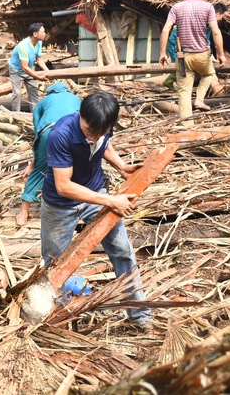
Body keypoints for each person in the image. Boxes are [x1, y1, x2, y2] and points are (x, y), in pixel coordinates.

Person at [40, 92, 151, 327]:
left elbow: (104, 144)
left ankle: (139, 314)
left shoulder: (101, 125)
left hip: (95, 193)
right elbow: (64, 186)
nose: (95, 136)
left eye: (101, 131)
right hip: (59, 205)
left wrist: (122, 166)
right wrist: (111, 201)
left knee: (122, 250)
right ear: (80, 115)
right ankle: (56, 321)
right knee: (54, 265)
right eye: (90, 131)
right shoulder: (60, 135)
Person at [159, 0, 226, 126]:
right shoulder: (208, 7)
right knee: (208, 74)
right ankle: (199, 99)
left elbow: (165, 30)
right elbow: (215, 31)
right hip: (202, 55)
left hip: (183, 57)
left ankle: (187, 126)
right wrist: (221, 54)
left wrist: (163, 53)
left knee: (183, 92)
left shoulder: (177, 7)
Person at [15, 83, 80, 227]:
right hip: (73, 133)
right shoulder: (76, 98)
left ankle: (23, 213)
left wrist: (33, 165)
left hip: (50, 131)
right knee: (74, 168)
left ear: (50, 93)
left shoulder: (42, 103)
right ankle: (77, 205)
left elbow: (39, 133)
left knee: (39, 171)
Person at [163, 2, 228, 95]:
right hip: (176, 45)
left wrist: (210, 55)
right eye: (222, 16)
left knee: (185, 68)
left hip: (184, 46)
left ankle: (181, 90)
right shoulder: (207, 21)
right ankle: (171, 83)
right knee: (181, 68)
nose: (221, 19)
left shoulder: (205, 19)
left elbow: (206, 40)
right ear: (217, 14)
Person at [9, 22, 49, 112]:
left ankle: (35, 115)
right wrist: (38, 77)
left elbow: (39, 59)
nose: (44, 34)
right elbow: (24, 68)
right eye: (42, 32)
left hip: (29, 68)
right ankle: (16, 115)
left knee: (34, 93)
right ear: (35, 34)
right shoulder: (24, 46)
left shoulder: (39, 43)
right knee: (17, 94)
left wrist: (47, 70)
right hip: (16, 71)